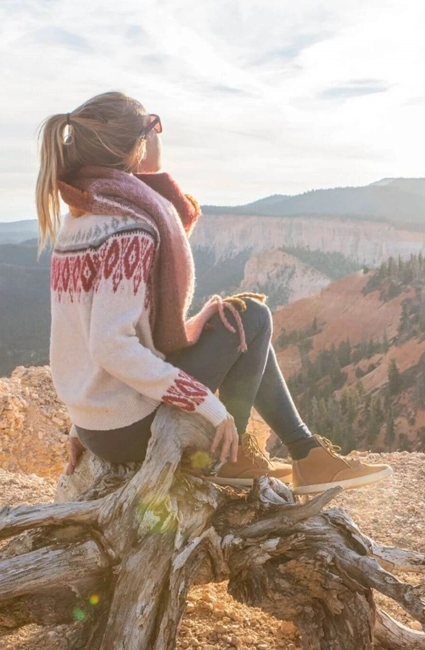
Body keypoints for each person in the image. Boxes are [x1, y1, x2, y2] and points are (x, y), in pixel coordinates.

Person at [36, 91, 393, 495]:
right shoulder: (128, 228)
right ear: (135, 143)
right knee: (255, 318)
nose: (158, 136)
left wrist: (82, 420)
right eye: (153, 127)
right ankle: (236, 455)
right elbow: (109, 344)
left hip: (102, 424)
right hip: (129, 428)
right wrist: (209, 405)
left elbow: (77, 335)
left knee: (240, 318)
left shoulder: (83, 216)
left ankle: (305, 454)